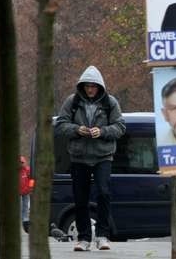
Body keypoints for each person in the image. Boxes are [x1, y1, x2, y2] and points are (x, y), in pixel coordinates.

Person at [55, 66, 126, 252]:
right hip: (79, 156)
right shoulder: (72, 102)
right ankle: (84, 238)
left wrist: (101, 132)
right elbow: (60, 125)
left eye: (93, 86)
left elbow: (120, 127)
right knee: (80, 198)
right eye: (87, 86)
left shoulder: (110, 103)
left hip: (103, 156)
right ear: (82, 86)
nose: (90, 89)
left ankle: (102, 236)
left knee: (103, 193)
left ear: (100, 86)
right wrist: (77, 130)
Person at [19, 155, 33, 231]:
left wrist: (30, 188)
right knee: (19, 207)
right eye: (20, 162)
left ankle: (25, 221)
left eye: (22, 162)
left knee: (25, 207)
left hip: (26, 192)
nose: (21, 164)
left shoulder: (27, 170)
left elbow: (31, 179)